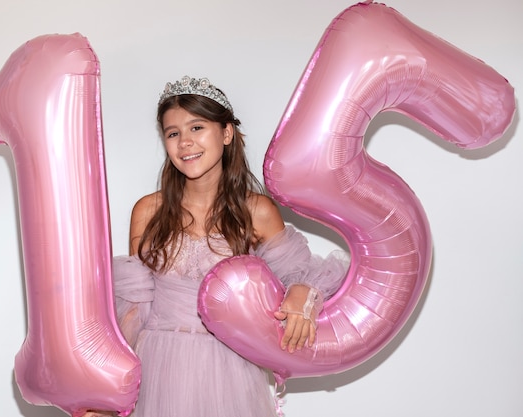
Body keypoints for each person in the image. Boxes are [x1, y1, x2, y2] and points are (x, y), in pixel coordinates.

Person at [84, 76, 348, 417]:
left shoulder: (257, 211)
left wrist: (302, 290)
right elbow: (133, 309)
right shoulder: (148, 210)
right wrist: (108, 398)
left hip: (230, 368)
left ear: (226, 134)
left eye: (197, 127)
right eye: (173, 133)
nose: (184, 143)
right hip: (160, 366)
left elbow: (300, 276)